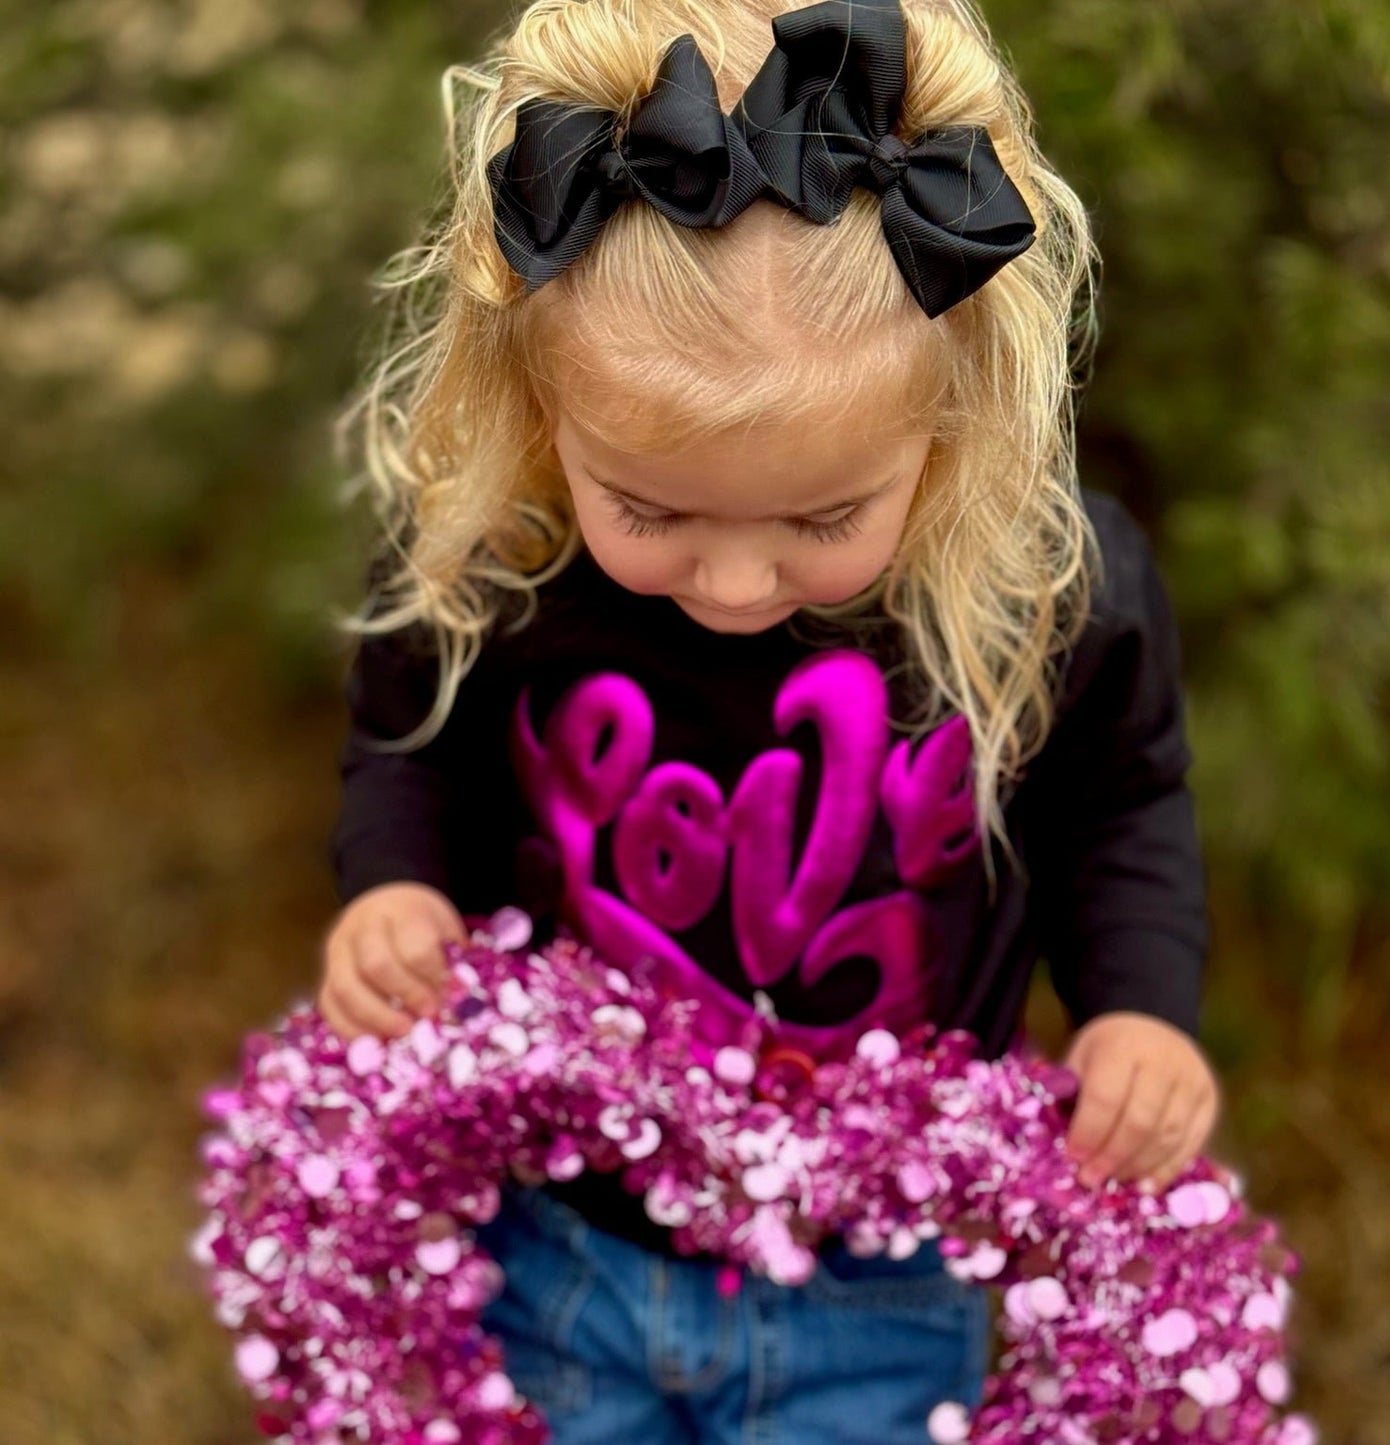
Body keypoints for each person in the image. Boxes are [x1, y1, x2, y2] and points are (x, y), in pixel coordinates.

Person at [319, 1, 1221, 1440]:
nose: (734, 581)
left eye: (820, 516)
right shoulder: (498, 565)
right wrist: (397, 886)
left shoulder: (1049, 595)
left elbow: (1117, 809)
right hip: (562, 1247)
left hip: (879, 1286)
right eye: (653, 509)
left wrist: (1138, 1009)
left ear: (951, 419)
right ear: (539, 404)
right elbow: (408, 751)